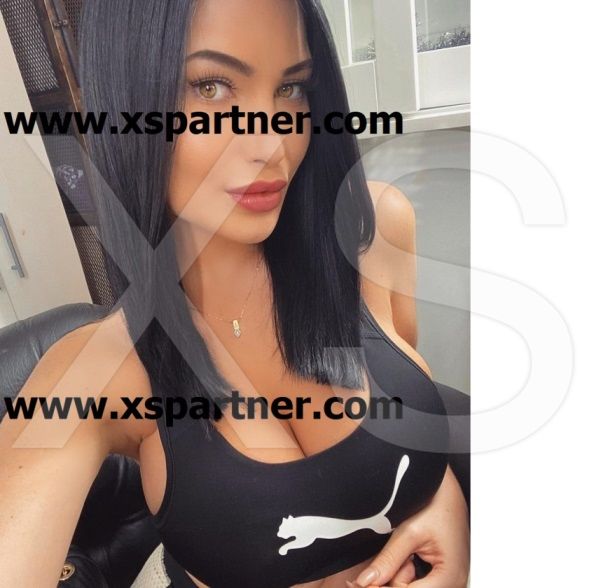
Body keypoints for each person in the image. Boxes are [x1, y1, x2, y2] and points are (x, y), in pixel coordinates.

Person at [0, 0, 469, 586]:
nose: (272, 143)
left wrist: (439, 500)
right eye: (212, 87)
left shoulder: (373, 233)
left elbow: (412, 414)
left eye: (291, 89)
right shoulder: (96, 371)